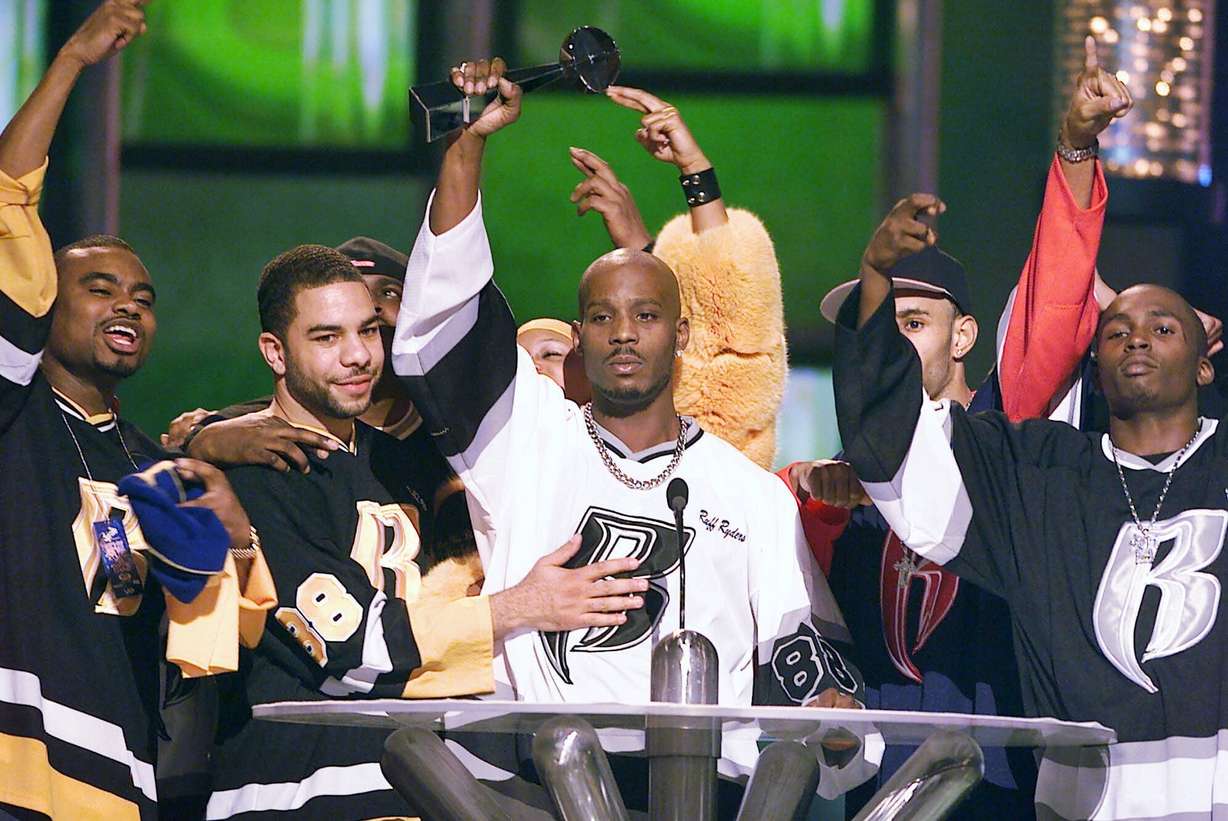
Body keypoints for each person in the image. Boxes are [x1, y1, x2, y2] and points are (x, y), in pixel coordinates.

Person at [392, 57, 876, 806]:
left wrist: (833, 718)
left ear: (680, 334)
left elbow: (804, 667)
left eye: (646, 316)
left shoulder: (751, 495)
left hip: (704, 794)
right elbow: (449, 317)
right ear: (579, 335)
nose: (623, 333)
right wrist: (466, 144)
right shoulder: (526, 440)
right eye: (601, 317)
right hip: (544, 789)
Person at [206, 244, 647, 819]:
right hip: (305, 791)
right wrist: (521, 606)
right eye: (326, 337)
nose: (358, 355)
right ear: (275, 351)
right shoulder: (252, 473)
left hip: (430, 786)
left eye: (368, 331)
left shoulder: (413, 465)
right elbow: (348, 646)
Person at [0, 4, 269, 817]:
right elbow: (8, 202)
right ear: (44, 302)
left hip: (114, 775)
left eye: (144, 298)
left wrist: (230, 547)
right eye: (100, 287)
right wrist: (71, 63)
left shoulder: (152, 464)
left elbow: (209, 645)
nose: (128, 305)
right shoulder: (12, 410)